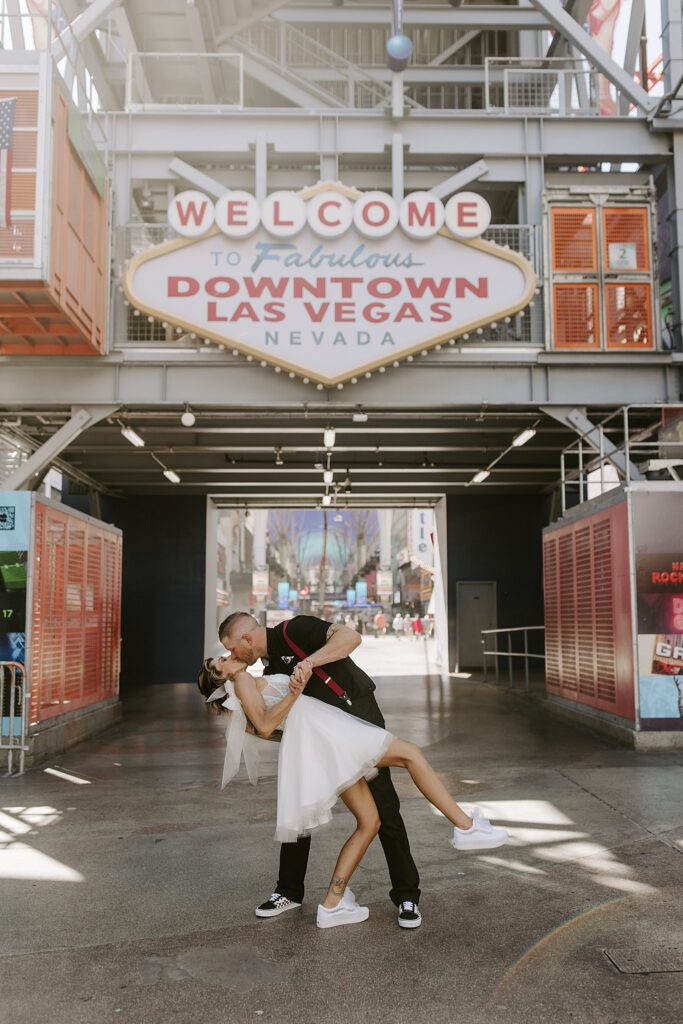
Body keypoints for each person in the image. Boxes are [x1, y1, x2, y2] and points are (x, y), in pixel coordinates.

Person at [197, 612, 508, 930]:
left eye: (231, 649)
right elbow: (268, 725)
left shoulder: (295, 629)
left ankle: (399, 896)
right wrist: (300, 729)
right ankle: (294, 892)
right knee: (310, 813)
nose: (232, 655)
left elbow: (350, 638)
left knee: (381, 813)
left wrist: (308, 664)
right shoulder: (258, 673)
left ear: (246, 638)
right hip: (330, 735)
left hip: (355, 715)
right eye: (226, 657)